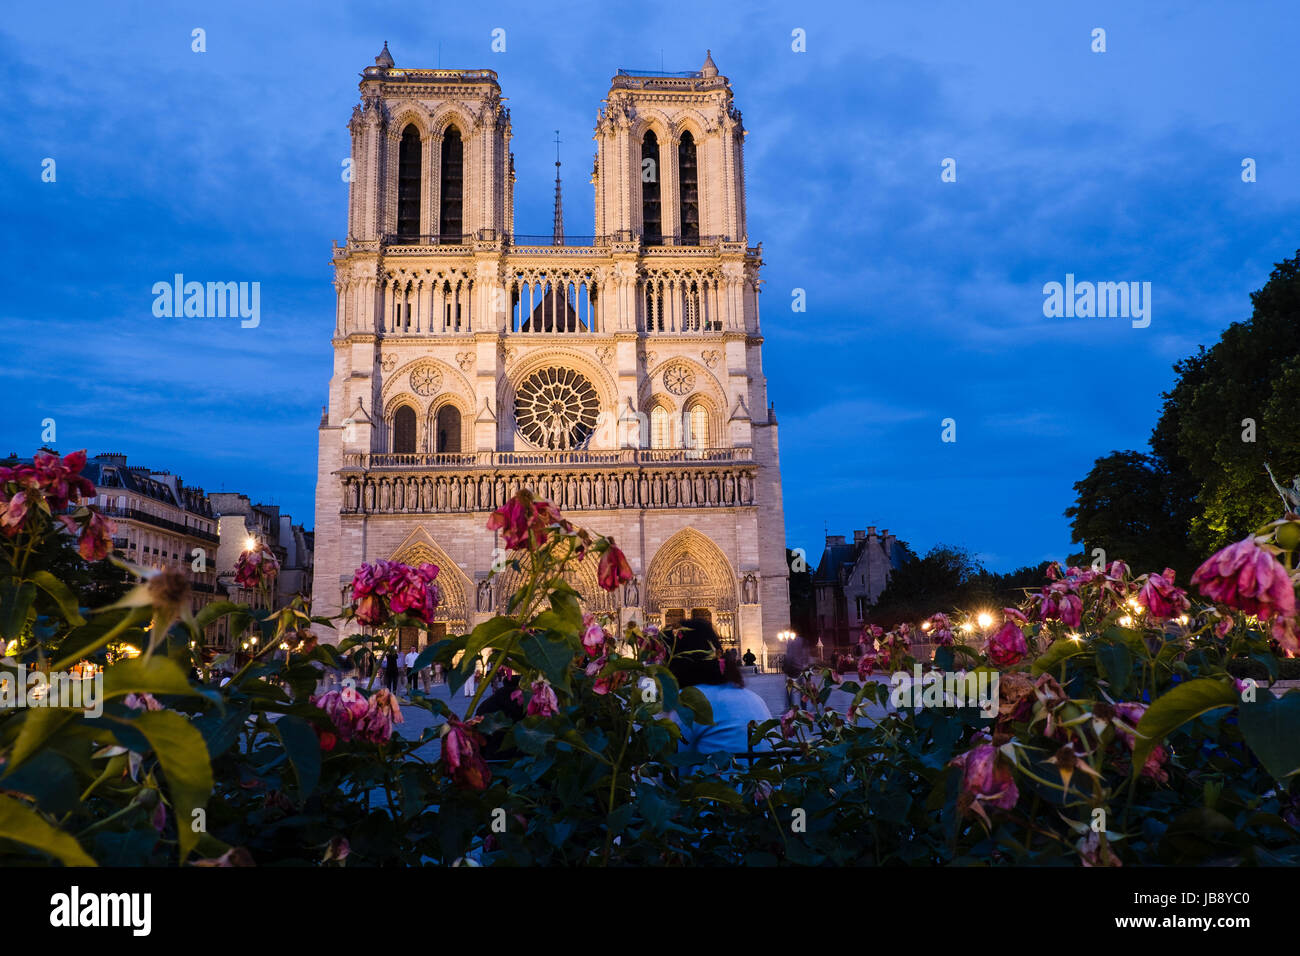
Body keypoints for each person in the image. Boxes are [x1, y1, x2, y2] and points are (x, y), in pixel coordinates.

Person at [667, 618, 772, 755]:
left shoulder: (690, 703)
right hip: (760, 775)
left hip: (719, 774)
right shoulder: (753, 698)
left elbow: (671, 767)